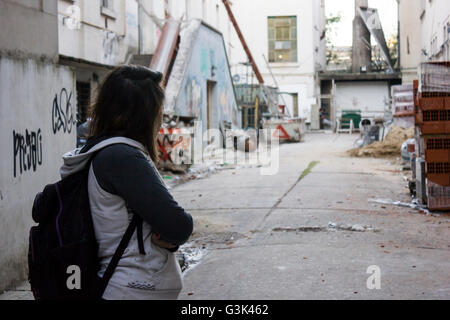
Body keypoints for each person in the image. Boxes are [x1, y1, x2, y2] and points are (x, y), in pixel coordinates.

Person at [59, 65, 193, 300]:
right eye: (158, 108)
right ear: (144, 113)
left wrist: (168, 236)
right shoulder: (121, 157)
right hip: (132, 289)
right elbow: (179, 225)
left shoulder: (112, 153)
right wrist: (171, 232)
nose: (161, 116)